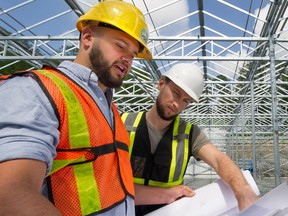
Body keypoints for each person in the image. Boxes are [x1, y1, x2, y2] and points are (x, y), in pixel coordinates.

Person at [0, 1, 152, 215]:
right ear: (87, 37)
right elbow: (9, 194)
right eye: (120, 45)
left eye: (134, 54)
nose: (128, 59)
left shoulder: (110, 110)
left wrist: (169, 193)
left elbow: (115, 187)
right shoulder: (38, 91)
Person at [121, 63, 259, 216]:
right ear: (160, 84)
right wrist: (163, 194)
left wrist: (243, 190)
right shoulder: (122, 123)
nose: (177, 104)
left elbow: (219, 159)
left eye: (186, 101)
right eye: (175, 93)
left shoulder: (189, 133)